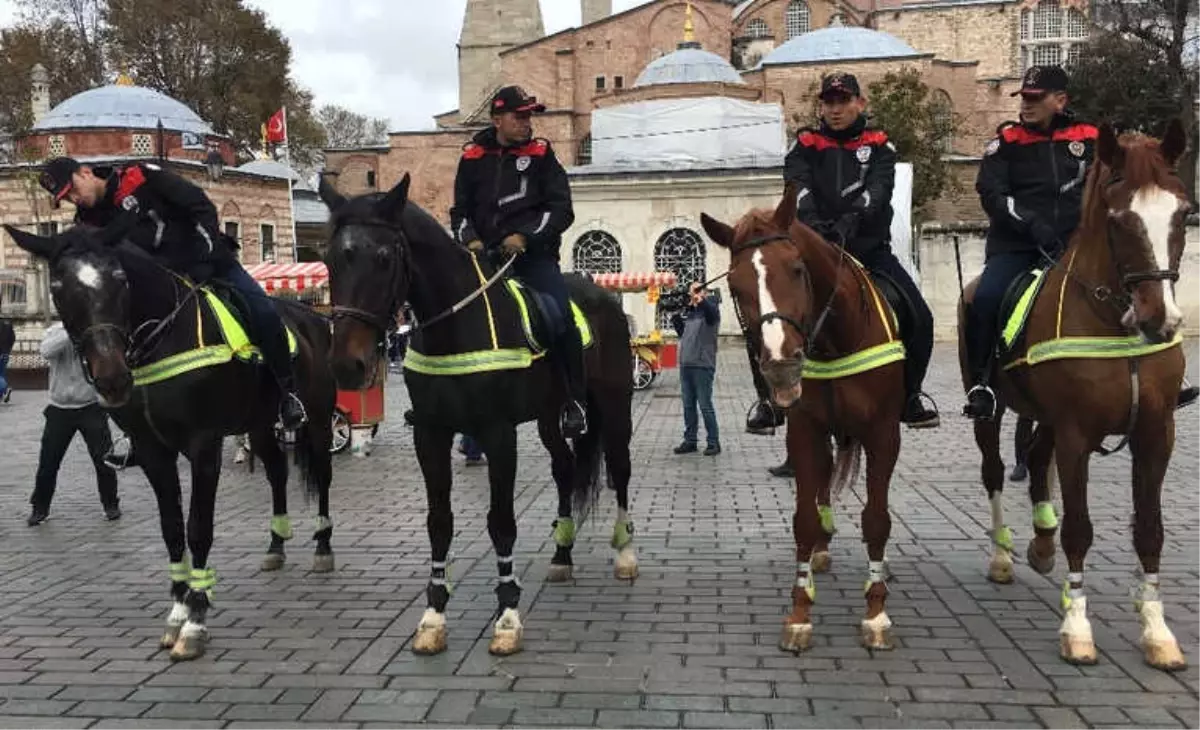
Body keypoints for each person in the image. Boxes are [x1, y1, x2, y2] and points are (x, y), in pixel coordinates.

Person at [37, 157, 308, 469]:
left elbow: (200, 206)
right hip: (158, 287)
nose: (74, 199)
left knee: (263, 312)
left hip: (208, 264)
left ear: (85, 172)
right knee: (119, 347)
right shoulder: (87, 221)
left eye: (73, 190)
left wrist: (205, 255)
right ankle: (136, 434)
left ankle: (287, 394)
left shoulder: (142, 178)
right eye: (66, 198)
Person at [449, 85, 585, 438]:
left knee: (560, 317)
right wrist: (472, 240)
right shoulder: (471, 157)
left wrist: (524, 237)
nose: (527, 122)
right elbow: (459, 212)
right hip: (486, 259)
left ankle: (573, 400)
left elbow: (561, 210)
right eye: (519, 115)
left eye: (529, 116)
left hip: (533, 258)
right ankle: (459, 408)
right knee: (457, 319)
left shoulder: (541, 154)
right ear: (497, 119)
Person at [28, 322, 120, 525]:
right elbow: (46, 352)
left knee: (103, 459)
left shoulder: (95, 334)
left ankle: (111, 504)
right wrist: (71, 332)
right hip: (59, 408)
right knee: (48, 462)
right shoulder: (55, 330)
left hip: (90, 406)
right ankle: (40, 508)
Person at [671, 282, 721, 456]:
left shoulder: (711, 311)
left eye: (698, 290)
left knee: (705, 405)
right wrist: (676, 316)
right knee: (688, 406)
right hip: (686, 365)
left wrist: (701, 300)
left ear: (705, 293)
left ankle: (713, 442)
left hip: (702, 365)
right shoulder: (691, 313)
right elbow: (683, 334)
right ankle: (690, 440)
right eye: (692, 290)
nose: (693, 294)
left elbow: (711, 313)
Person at [0, 318, 13, 403]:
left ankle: (5, 389)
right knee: (2, 374)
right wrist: (7, 350)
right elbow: (13, 338)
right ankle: (2, 394)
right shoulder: (8, 324)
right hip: (5, 353)